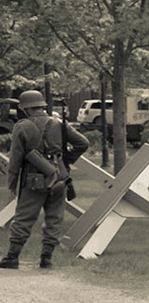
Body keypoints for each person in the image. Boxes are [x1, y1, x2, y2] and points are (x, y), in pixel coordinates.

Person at [3, 91, 87, 270]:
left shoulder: (22, 126)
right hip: (60, 178)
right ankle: (46, 259)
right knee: (54, 219)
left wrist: (12, 183)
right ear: (42, 106)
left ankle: (12, 257)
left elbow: (16, 159)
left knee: (23, 219)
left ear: (25, 109)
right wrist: (65, 160)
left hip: (33, 181)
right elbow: (83, 143)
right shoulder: (58, 123)